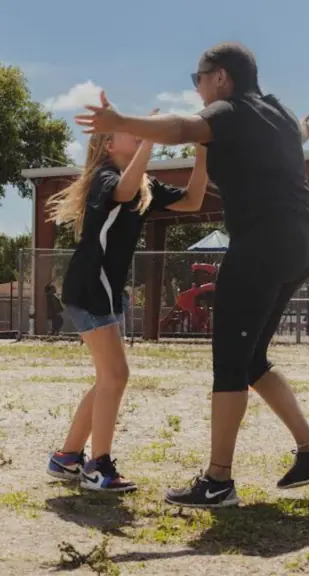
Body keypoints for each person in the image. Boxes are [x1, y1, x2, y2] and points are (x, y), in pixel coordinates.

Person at [75, 42, 309, 507]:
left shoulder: (229, 110)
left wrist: (121, 122)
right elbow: (293, 133)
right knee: (253, 358)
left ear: (219, 77)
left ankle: (218, 481)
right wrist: (304, 132)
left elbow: (180, 127)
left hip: (260, 245)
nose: (196, 90)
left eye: (197, 79)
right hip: (302, 243)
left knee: (230, 364)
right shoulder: (278, 112)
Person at [44, 129, 208, 492]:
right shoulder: (106, 177)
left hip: (105, 290)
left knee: (108, 378)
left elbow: (193, 200)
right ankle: (97, 466)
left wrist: (202, 153)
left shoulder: (144, 183)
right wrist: (151, 139)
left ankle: (68, 457)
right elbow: (123, 191)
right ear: (107, 146)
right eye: (130, 132)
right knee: (116, 376)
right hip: (90, 287)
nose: (137, 134)